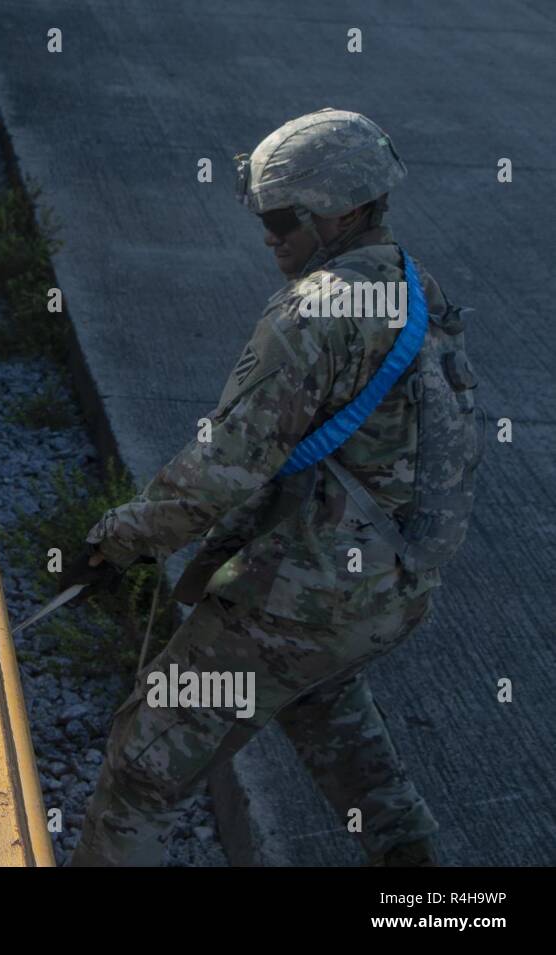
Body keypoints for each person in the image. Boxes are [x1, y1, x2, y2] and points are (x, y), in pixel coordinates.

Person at [67, 108, 483, 866]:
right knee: (353, 760)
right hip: (389, 591)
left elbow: (224, 464)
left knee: (141, 769)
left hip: (302, 601)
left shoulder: (317, 311)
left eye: (283, 218)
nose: (268, 236)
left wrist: (116, 540)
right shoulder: (417, 287)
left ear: (344, 211)